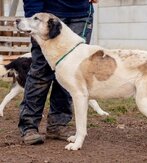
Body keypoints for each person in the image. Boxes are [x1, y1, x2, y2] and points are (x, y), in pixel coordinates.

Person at [19, 0, 98, 145]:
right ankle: (29, 126)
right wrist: (32, 19)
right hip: (47, 13)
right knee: (40, 72)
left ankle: (58, 124)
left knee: (71, 75)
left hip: (80, 14)